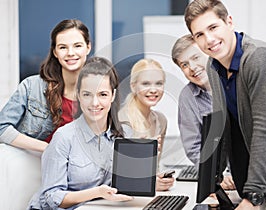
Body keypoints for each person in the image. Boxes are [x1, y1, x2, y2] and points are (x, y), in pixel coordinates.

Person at [184, 0, 266, 210]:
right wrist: (213, 181)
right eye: (199, 35)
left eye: (213, 27)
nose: (208, 39)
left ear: (229, 22)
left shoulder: (260, 58)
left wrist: (253, 195)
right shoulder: (214, 66)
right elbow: (224, 128)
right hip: (262, 187)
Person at [27, 57, 133, 210]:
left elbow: (124, 183)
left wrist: (148, 181)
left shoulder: (124, 134)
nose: (94, 103)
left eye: (102, 94)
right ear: (78, 95)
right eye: (87, 94)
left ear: (113, 96)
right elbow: (51, 197)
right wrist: (97, 192)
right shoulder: (64, 137)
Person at [0, 19, 91, 152]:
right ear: (55, 52)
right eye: (63, 47)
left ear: (88, 47)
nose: (70, 53)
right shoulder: (31, 86)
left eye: (77, 46)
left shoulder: (98, 93)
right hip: (33, 166)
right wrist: (50, 148)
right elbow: (2, 129)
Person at [171, 34, 235, 191]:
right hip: (221, 181)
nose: (192, 67)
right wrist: (219, 175)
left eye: (196, 58)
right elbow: (194, 148)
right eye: (184, 65)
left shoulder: (235, 81)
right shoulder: (187, 96)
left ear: (209, 55)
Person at [118, 58, 174, 191]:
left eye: (159, 83)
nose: (153, 90)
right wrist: (148, 183)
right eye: (146, 83)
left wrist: (159, 178)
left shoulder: (161, 120)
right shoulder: (122, 121)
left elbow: (153, 168)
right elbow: (119, 175)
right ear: (133, 86)